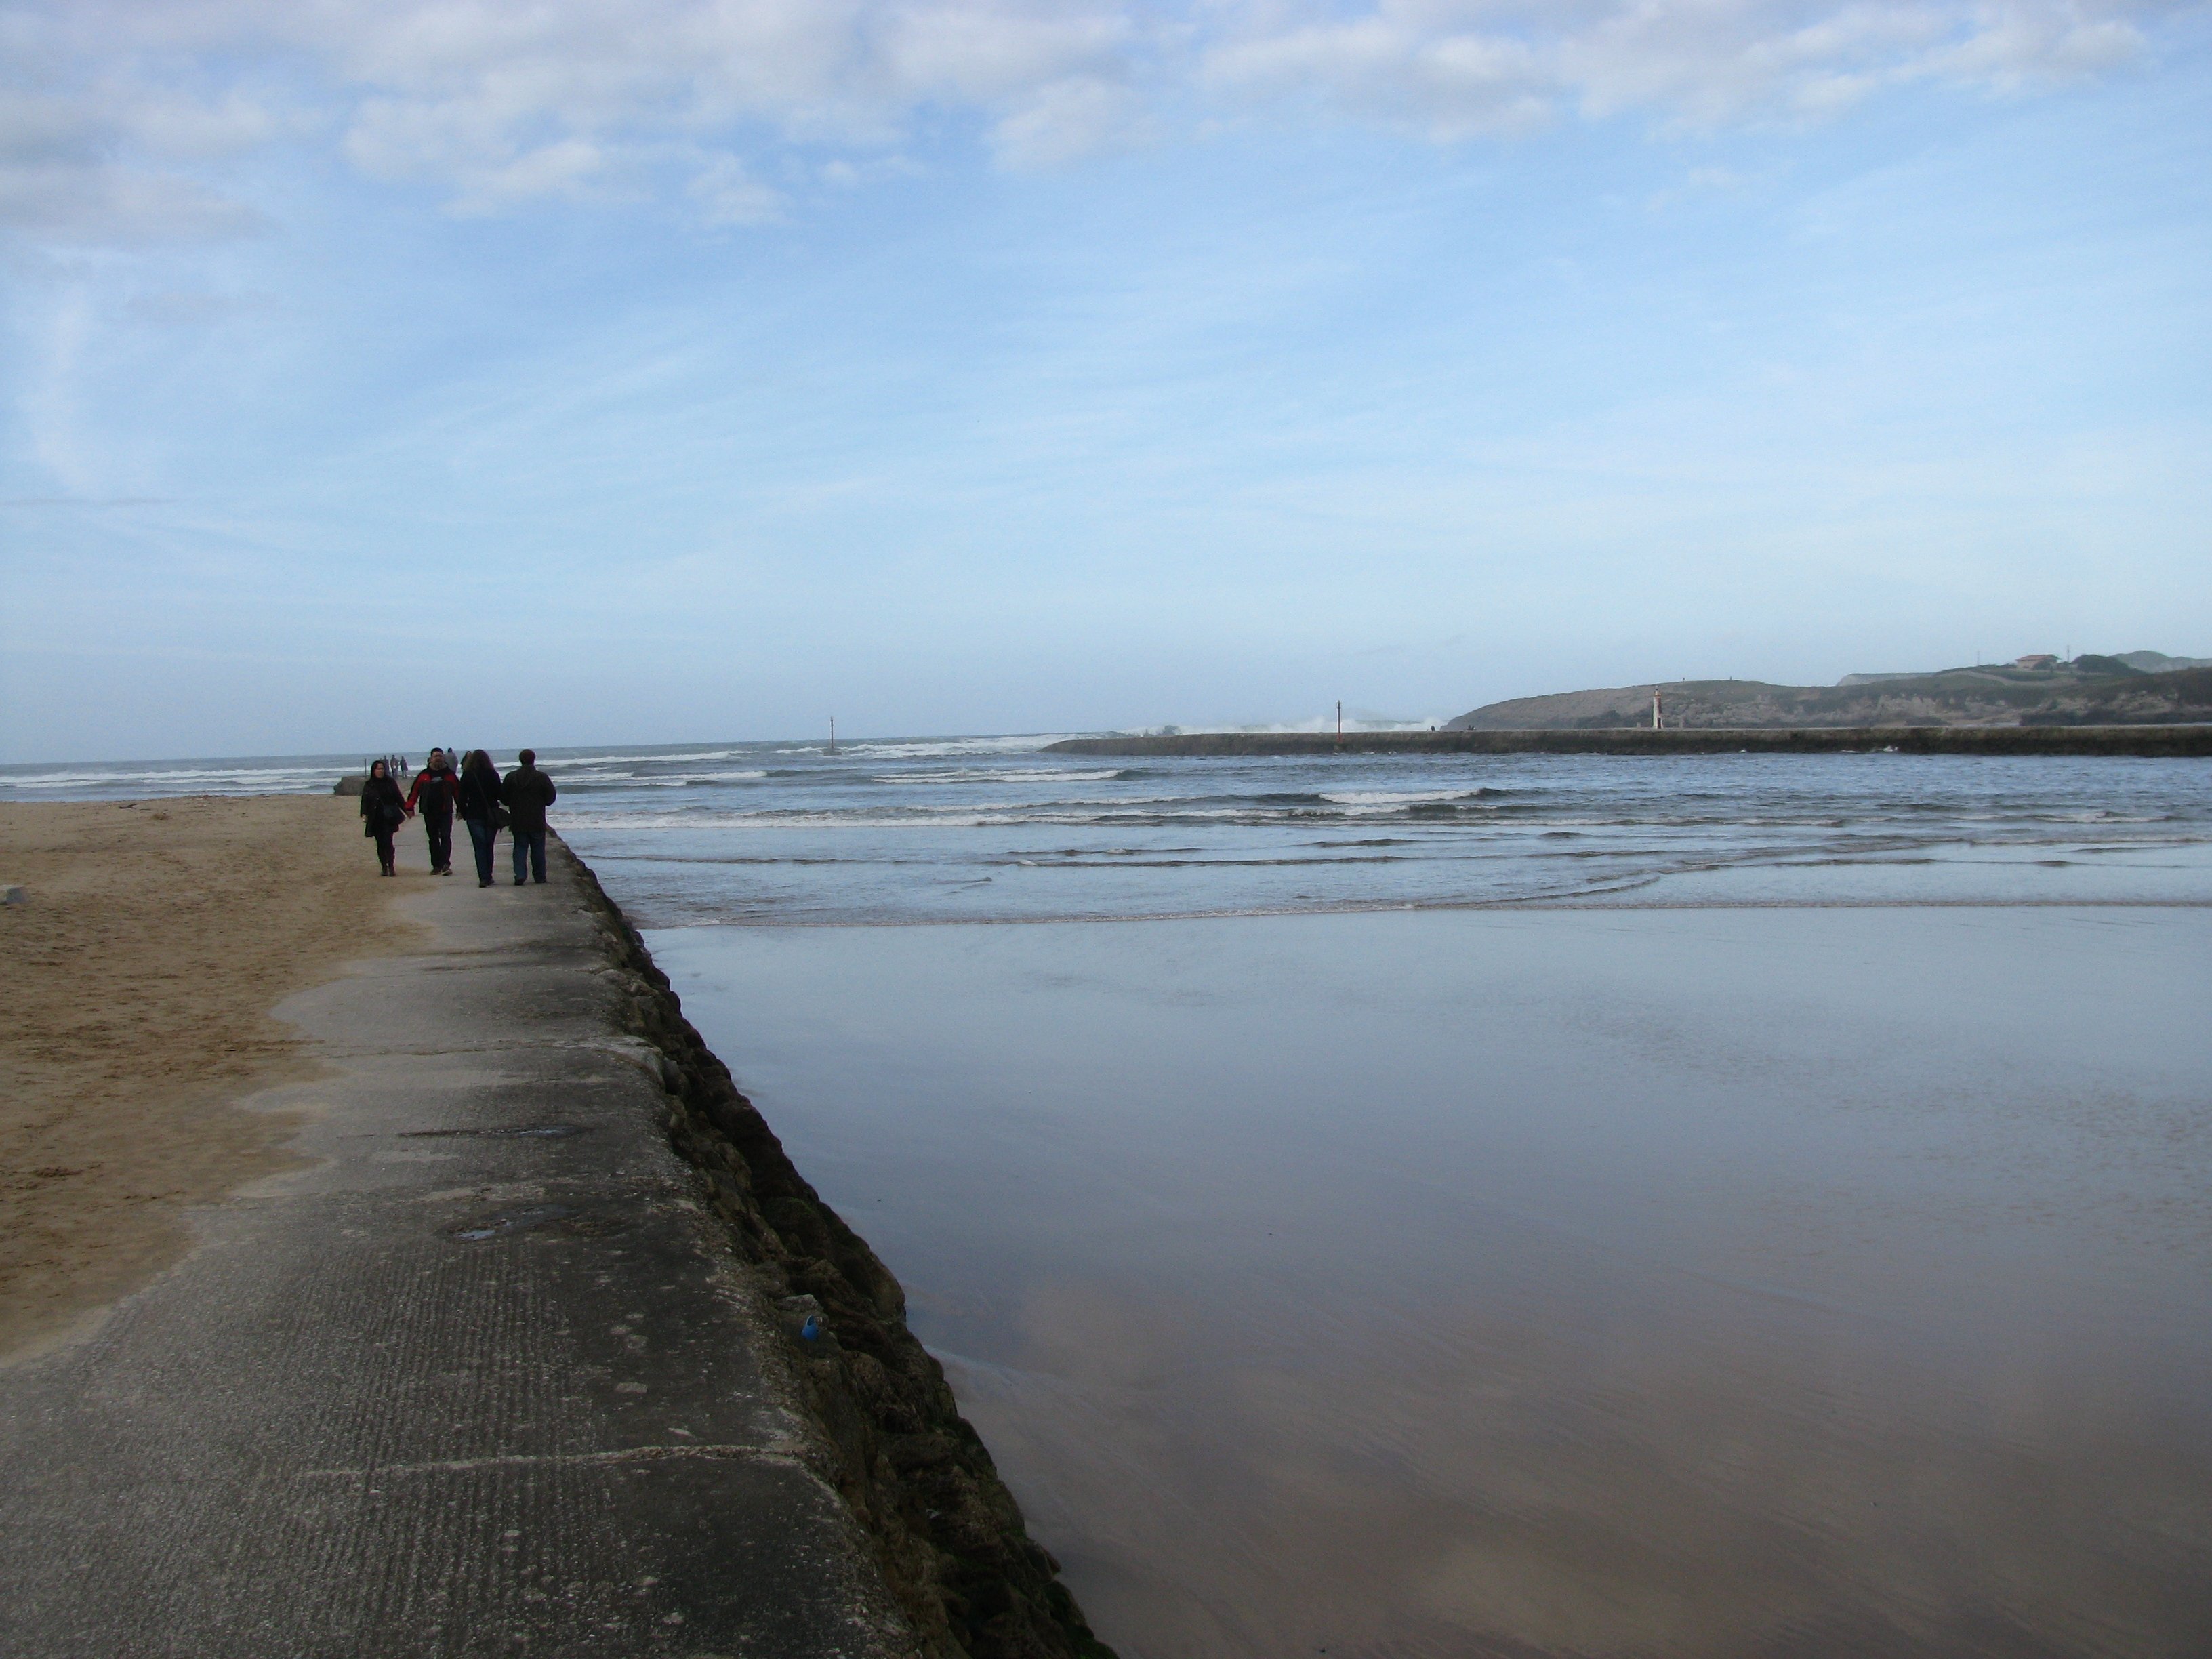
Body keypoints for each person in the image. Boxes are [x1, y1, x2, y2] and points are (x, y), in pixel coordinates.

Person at [500, 747, 557, 885]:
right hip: (536, 818)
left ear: (520, 760)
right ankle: (540, 876)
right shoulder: (541, 777)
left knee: (520, 847)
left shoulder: (511, 777)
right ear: (534, 760)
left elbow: (504, 798)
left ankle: (520, 874)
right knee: (538, 849)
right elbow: (550, 797)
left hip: (518, 818)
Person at [404, 747, 462, 876]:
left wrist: (461, 809)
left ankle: (446, 864)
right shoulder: (424, 775)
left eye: (440, 756)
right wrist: (409, 807)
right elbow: (414, 792)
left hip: (445, 811)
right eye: (436, 756)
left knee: (446, 837)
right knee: (433, 839)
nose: (438, 758)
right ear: (431, 758)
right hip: (429, 812)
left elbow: (458, 793)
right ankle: (436, 865)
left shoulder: (450, 775)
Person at [456, 749, 505, 888]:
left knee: (479, 847)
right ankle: (488, 876)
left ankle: (483, 877)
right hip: (491, 815)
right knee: (489, 846)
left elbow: (462, 797)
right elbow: (500, 794)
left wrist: (463, 812)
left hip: (474, 815)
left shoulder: (467, 775)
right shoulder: (492, 774)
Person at [359, 759, 407, 876]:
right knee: (380, 843)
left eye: (382, 769)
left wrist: (407, 810)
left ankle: (391, 866)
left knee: (388, 842)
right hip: (376, 817)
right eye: (378, 769)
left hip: (388, 817)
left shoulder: (390, 782)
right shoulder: (369, 784)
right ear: (373, 771)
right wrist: (364, 814)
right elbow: (365, 800)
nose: (380, 771)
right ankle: (384, 866)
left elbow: (398, 797)